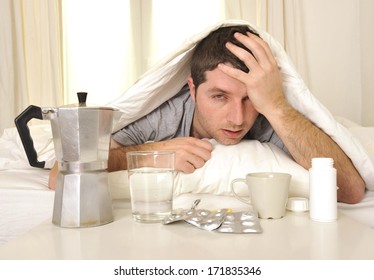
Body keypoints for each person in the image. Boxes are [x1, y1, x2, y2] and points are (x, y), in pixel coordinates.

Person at [49, 25, 365, 204]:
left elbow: (349, 191)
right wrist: (152, 154)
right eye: (219, 97)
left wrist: (275, 104)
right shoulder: (165, 114)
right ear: (192, 89)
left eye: (249, 99)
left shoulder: (267, 112)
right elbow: (61, 173)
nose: (238, 118)